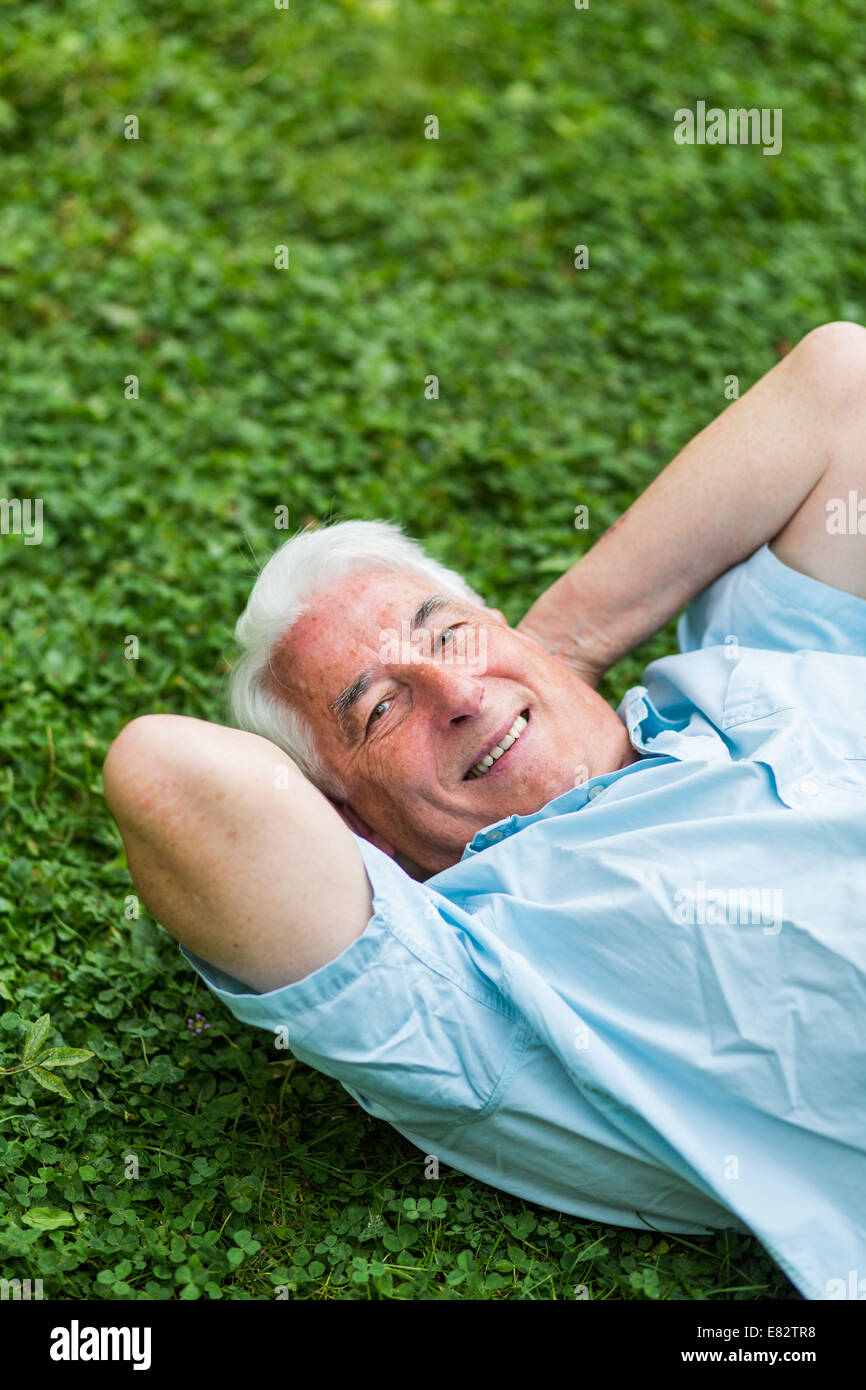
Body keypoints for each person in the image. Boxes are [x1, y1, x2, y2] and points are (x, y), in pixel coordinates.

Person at [103, 321, 866, 1301]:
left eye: (449, 635)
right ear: (360, 829)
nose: (453, 694)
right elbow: (165, 775)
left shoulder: (750, 671)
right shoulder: (470, 986)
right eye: (379, 709)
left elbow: (840, 384)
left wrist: (561, 645)